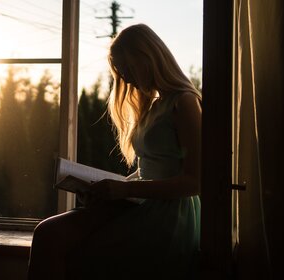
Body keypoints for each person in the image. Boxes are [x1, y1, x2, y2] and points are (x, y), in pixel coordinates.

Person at [28, 23, 202, 280]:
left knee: (62, 246)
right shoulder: (155, 105)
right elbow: (147, 171)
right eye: (121, 74)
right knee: (48, 233)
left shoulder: (184, 102)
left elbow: (195, 182)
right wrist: (106, 192)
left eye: (128, 69)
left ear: (148, 58)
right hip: (144, 203)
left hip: (168, 216)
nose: (127, 80)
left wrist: (125, 190)